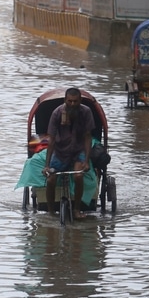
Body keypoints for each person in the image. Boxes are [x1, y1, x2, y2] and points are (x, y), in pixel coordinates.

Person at [42, 87, 96, 219]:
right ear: (65, 100)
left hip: (79, 150)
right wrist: (47, 165)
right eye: (70, 101)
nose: (72, 104)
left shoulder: (86, 112)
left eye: (75, 101)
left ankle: (77, 209)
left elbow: (88, 137)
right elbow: (52, 140)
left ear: (80, 101)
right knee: (51, 179)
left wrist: (86, 161)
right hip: (61, 151)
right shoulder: (57, 113)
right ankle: (50, 212)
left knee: (78, 176)